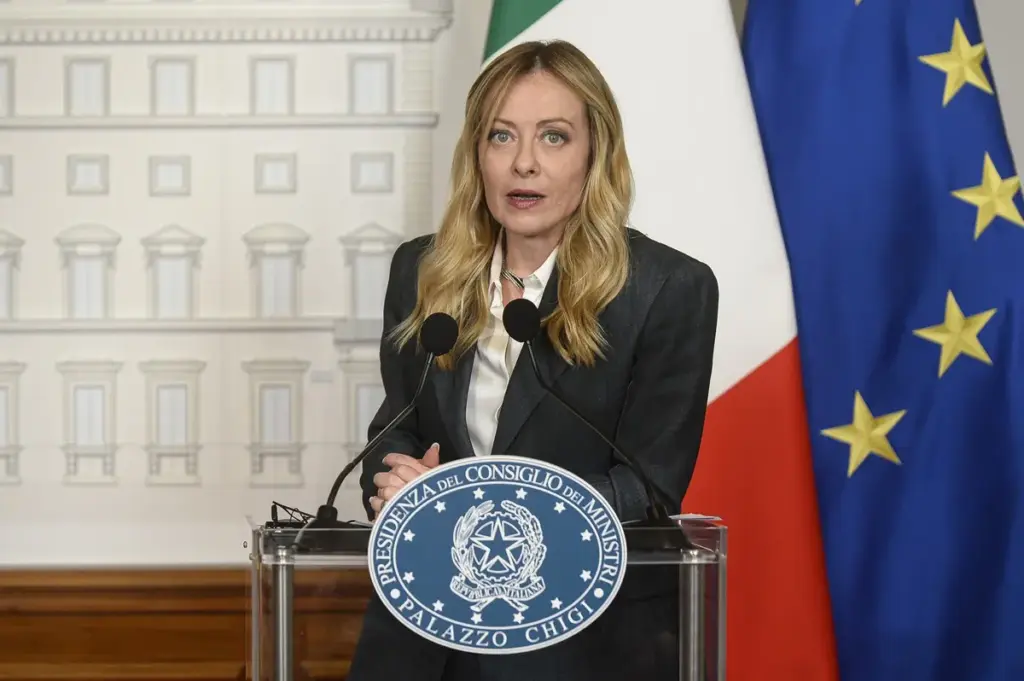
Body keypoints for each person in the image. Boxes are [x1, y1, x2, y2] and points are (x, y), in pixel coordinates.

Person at [349, 39, 719, 681]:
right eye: (502, 136)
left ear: (595, 154)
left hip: (581, 634)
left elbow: (650, 486)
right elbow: (396, 425)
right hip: (426, 627)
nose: (524, 163)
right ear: (477, 154)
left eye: (553, 137)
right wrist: (394, 482)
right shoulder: (423, 270)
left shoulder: (666, 288)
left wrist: (476, 505)